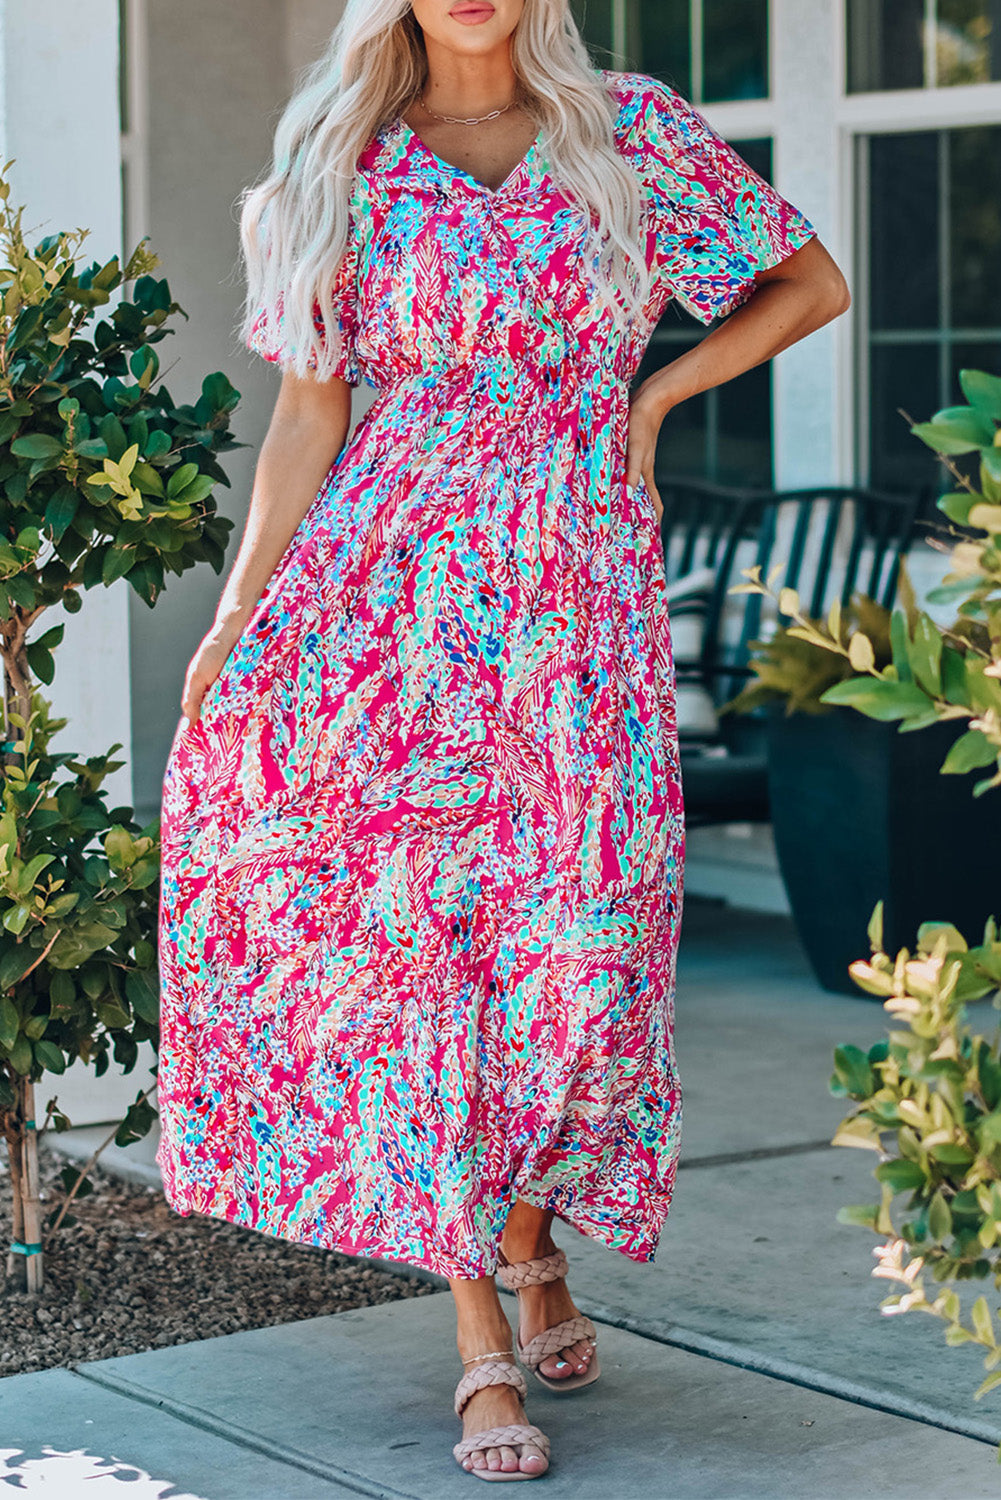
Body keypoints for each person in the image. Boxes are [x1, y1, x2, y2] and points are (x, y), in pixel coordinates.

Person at [155, 0, 850, 1483]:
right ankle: (479, 1331)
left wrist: (657, 389)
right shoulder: (338, 158)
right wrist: (237, 617)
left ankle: (531, 1241)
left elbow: (808, 281)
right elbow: (306, 413)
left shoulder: (629, 131)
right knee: (418, 968)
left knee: (581, 948)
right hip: (378, 611)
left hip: (575, 606)